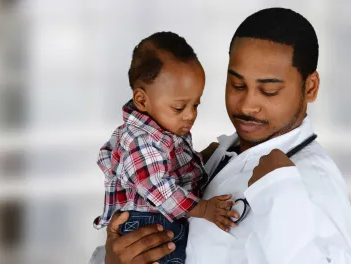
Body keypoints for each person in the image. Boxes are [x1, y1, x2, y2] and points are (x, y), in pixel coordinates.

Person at [89, 7, 351, 264]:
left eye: (269, 91)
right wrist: (111, 260)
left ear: (310, 87)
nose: (247, 106)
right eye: (237, 85)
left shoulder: (313, 187)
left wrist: (280, 190)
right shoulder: (218, 154)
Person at [93, 31, 237, 264]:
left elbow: (169, 169)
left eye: (196, 104)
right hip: (150, 225)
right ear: (142, 100)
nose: (191, 115)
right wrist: (205, 209)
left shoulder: (162, 131)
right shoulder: (141, 141)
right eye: (179, 107)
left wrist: (201, 157)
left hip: (161, 217)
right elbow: (160, 188)